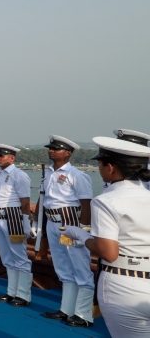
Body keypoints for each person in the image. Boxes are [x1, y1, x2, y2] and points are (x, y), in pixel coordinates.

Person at [62, 137, 150, 338]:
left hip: (125, 284)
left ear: (110, 168)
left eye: (100, 164)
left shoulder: (106, 201)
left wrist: (80, 234)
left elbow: (108, 252)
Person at [36, 135, 95, 326]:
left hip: (70, 222)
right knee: (63, 268)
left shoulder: (76, 175)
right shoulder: (50, 174)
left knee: (80, 267)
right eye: (50, 148)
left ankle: (84, 314)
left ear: (68, 153)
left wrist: (83, 230)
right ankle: (66, 309)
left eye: (56, 148)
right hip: (53, 222)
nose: (51, 151)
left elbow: (86, 204)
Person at [0, 144, 33, 306]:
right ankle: (11, 291)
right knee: (7, 257)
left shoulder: (18, 175)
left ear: (12, 158)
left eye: (2, 156)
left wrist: (25, 223)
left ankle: (23, 294)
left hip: (14, 218)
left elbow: (25, 201)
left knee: (20, 257)